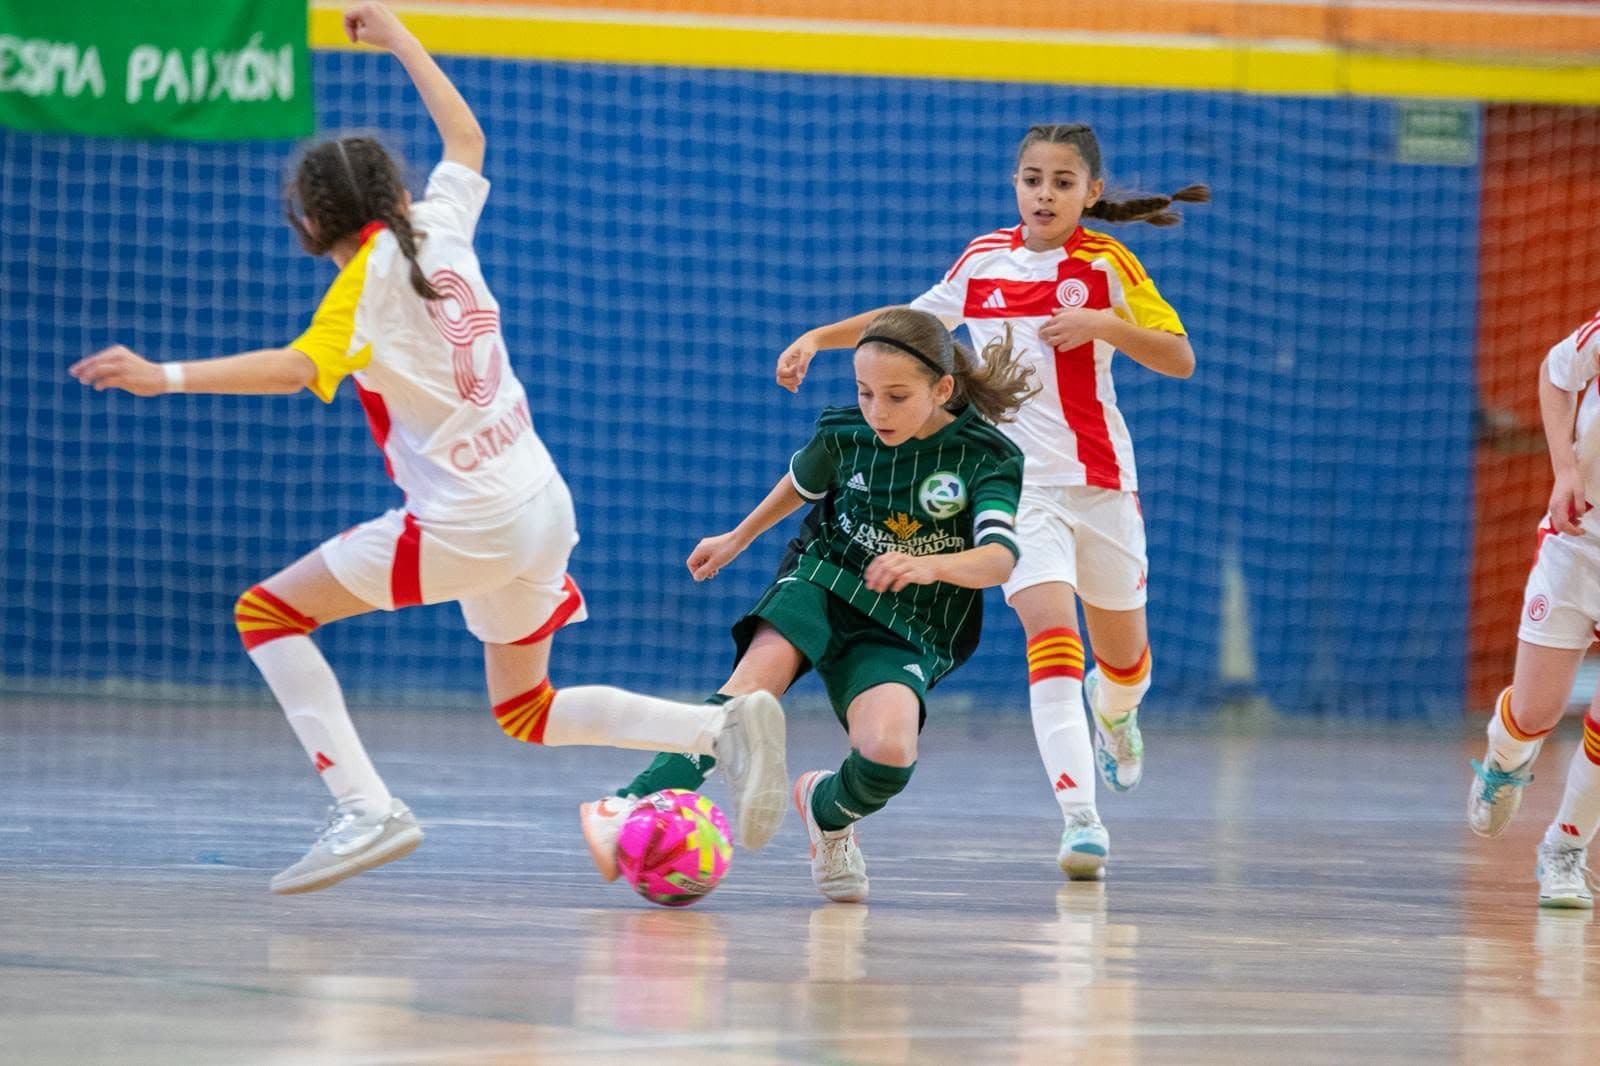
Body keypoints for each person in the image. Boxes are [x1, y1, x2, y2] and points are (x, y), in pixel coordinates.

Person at [69, 1, 786, 896]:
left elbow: (298, 369)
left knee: (268, 614)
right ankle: (718, 731)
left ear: (310, 222)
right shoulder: (440, 223)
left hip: (467, 522)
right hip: (539, 498)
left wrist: (161, 374)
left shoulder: (363, 281)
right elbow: (469, 137)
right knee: (527, 709)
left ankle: (366, 808)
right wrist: (403, 37)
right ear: (394, 191)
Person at [774, 124, 1204, 878]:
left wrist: (1106, 325)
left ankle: (1118, 711)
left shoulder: (1108, 266)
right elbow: (903, 328)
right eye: (1032, 178)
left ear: (1090, 194)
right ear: (1015, 185)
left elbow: (1180, 357)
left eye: (1063, 182)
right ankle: (1081, 819)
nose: (1045, 193)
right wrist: (818, 337)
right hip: (1015, 486)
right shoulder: (984, 261)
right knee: (1050, 638)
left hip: (1100, 484)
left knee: (1125, 661)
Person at [581, 308, 1031, 902]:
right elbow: (802, 484)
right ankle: (628, 805)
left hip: (911, 620)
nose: (877, 411)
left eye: (897, 397)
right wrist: (735, 538)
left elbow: (998, 558)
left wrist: (930, 566)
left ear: (942, 389)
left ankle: (827, 812)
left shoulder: (986, 456)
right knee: (751, 687)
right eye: (866, 393)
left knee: (890, 755)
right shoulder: (846, 432)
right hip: (825, 575)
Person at [1466, 311, 1600, 909]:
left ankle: (1565, 848)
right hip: (1578, 541)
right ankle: (1505, 760)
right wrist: (1566, 469)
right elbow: (1555, 373)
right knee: (1535, 711)